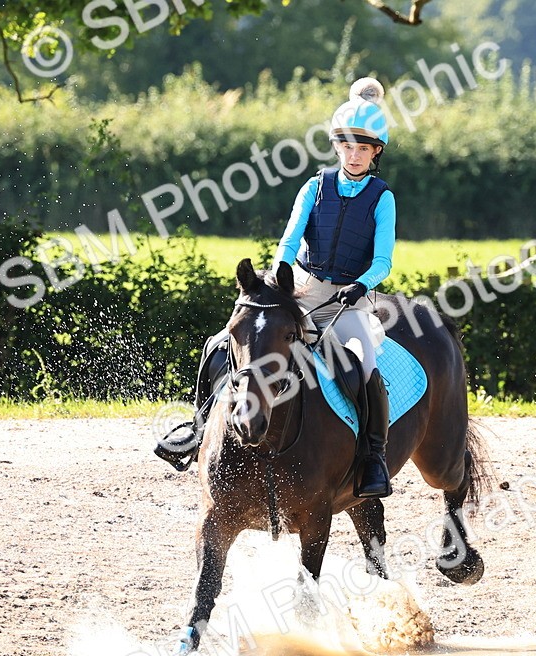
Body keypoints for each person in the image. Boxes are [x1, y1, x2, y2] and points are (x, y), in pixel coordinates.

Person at [156, 77, 397, 499]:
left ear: (376, 152)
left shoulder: (382, 198)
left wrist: (361, 286)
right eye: (346, 146)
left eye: (363, 148)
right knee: (220, 344)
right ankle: (197, 429)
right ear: (336, 146)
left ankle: (372, 457)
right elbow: (288, 240)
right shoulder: (314, 186)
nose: (353, 155)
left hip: (349, 299)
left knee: (362, 364)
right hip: (299, 289)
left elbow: (383, 261)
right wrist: (278, 276)